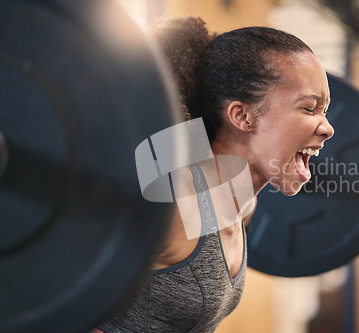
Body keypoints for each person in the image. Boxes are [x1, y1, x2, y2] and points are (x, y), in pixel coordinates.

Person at [96, 16, 334, 333]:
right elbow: (49, 287)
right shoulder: (175, 203)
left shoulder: (244, 206)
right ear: (243, 116)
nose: (328, 128)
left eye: (325, 110)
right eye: (309, 108)